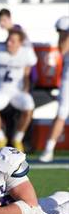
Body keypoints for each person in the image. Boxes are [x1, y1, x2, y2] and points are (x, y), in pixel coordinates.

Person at [0, 28, 37, 151]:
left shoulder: (26, 53)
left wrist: (26, 89)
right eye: (8, 40)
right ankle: (1, 138)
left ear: (20, 43)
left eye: (13, 41)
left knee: (29, 106)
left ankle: (18, 139)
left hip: (17, 92)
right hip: (1, 90)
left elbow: (26, 75)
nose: (9, 43)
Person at [39, 16, 69, 162]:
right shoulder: (65, 37)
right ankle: (49, 149)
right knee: (62, 112)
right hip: (68, 77)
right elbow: (63, 49)